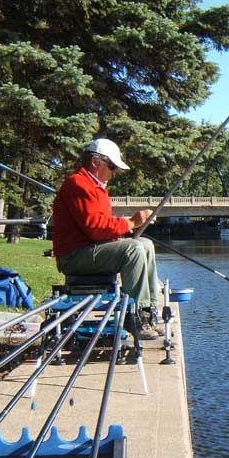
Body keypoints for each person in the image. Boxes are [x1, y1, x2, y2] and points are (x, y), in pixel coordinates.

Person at [52, 138, 161, 338]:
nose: (114, 172)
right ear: (95, 162)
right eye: (112, 166)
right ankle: (134, 316)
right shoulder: (78, 184)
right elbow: (95, 228)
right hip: (75, 256)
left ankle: (149, 311)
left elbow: (101, 225)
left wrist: (127, 228)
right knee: (133, 249)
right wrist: (131, 223)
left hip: (90, 250)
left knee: (145, 244)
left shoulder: (97, 187)